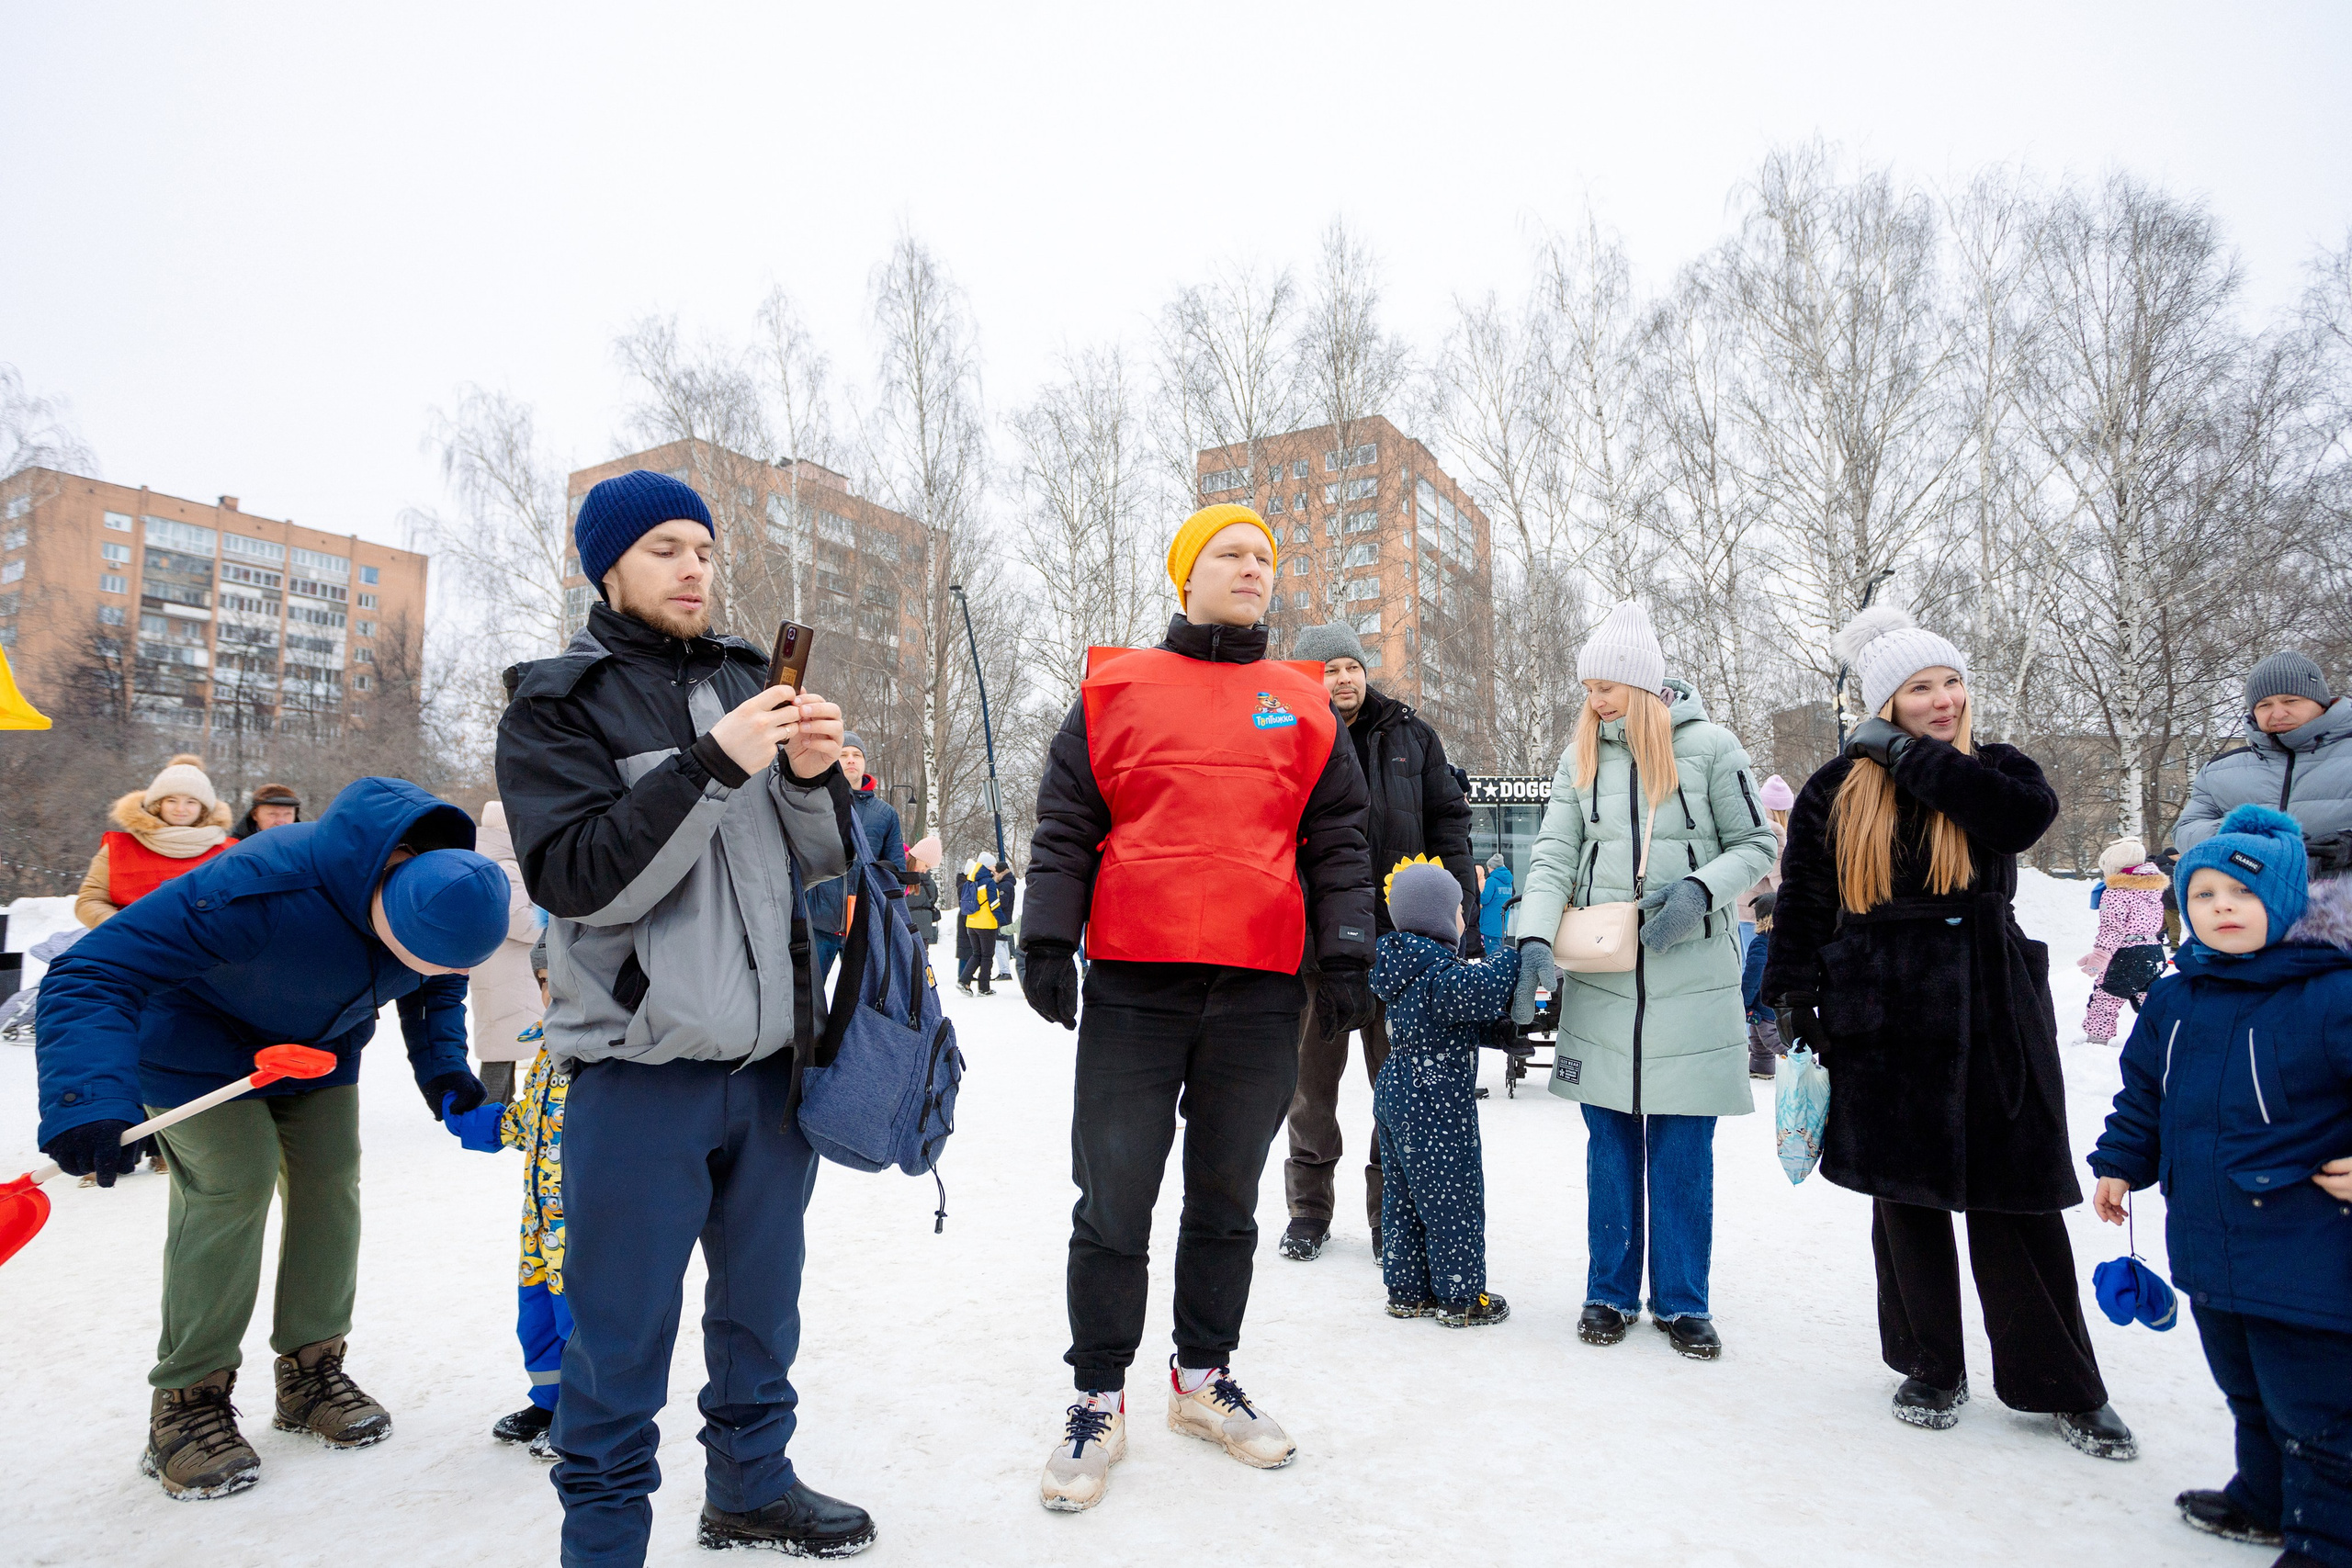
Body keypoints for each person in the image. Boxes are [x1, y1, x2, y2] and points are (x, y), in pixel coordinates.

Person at [495, 468, 870, 1565]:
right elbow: (579, 878)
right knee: (618, 1338)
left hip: (768, 1073)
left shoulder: (751, 677)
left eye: (703, 549)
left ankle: (752, 1488)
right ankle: (605, 1542)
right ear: (606, 565)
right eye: (664, 548)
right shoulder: (556, 702)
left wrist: (809, 782)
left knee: (762, 1313)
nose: (694, 567)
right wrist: (712, 765)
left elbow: (818, 867)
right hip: (636, 1074)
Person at [1021, 502, 1374, 1513]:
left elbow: (1339, 840)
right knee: (1115, 1197)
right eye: (1230, 553)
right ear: (1185, 575)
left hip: (1260, 988)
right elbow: (1064, 824)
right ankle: (1098, 1396)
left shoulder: (1301, 702)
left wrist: (1345, 952)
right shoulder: (1115, 688)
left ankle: (1200, 1379)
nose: (1252, 568)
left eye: (1265, 555)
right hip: (1137, 983)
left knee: (1227, 1199)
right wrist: (1047, 937)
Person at [35, 777, 509, 1500]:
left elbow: (434, 982)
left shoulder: (441, 896)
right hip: (192, 1041)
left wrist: (443, 1066)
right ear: (386, 901)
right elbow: (93, 969)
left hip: (316, 1045)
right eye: (421, 955)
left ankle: (311, 1370)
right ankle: (187, 1400)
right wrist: (88, 1096)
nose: (432, 972)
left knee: (330, 1181)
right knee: (236, 1179)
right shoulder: (257, 884)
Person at [1763, 604, 2135, 1458]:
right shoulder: (1835, 787)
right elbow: (1806, 906)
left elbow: (2017, 822)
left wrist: (1911, 756)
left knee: (2018, 1195)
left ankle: (2060, 1382)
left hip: (1991, 1000)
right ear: (1885, 699)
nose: (1943, 699)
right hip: (1883, 1008)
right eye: (1919, 688)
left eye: (1952, 681)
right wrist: (1792, 1001)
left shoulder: (1997, 769)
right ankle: (1930, 1362)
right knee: (1907, 1199)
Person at [1510, 600, 1778, 1360]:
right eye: (1589, 686)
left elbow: (1759, 840)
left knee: (1683, 1144)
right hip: (1605, 975)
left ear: (1646, 686)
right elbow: (1554, 855)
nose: (1596, 700)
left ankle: (1683, 1299)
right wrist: (1532, 933)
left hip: (1690, 977)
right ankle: (1609, 1290)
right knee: (1610, 1140)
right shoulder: (1580, 757)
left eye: (1610, 686)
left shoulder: (1713, 748)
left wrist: (1700, 887)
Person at [2089, 805, 2352, 1564]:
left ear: (2285, 903)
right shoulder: (2178, 995)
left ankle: (2327, 1541)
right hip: (2210, 1235)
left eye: (2241, 895)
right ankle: (2265, 1499)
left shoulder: (2331, 994)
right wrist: (2119, 1161)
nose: (2222, 909)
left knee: (2319, 1409)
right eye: (2203, 896)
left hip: (2306, 1247)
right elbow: (2146, 1091)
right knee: (2245, 1387)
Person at [1279, 620, 1476, 1263]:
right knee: (1311, 1089)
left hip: (1401, 949)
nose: (1340, 678)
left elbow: (1450, 823)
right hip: (1316, 948)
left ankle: (1391, 1211)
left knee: (1399, 1087)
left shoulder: (1413, 738)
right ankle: (1309, 1209)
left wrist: (1461, 914)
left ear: (1365, 671)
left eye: (1349, 666)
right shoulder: (1287, 738)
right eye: (1326, 669)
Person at [1369, 857, 1520, 1327]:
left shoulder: (1400, 968)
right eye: (1458, 910)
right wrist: (1516, 953)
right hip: (1435, 1101)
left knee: (1405, 1198)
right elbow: (1488, 987)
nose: (1463, 919)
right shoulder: (1440, 974)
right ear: (1436, 918)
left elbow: (1450, 1023)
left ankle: (1408, 1292)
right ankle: (1459, 1297)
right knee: (1451, 1198)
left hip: (1396, 1093)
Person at [442, 1001, 572, 1462]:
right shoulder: (545, 1046)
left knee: (582, 1322)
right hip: (539, 1225)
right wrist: (474, 1119)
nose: (552, 987)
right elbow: (527, 1122)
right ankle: (551, 1403)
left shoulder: (604, 1047)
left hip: (584, 1224)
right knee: (537, 1317)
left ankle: (589, 1414)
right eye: (542, 979)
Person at [2176, 651, 2352, 880]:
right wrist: (2242, 836)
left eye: (2291, 700)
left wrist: (2347, 848)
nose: (2278, 713)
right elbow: (2185, 831)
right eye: (2264, 704)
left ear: (2320, 702)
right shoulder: (2218, 771)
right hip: (2253, 908)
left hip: (2340, 908)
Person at [74, 753, 234, 927]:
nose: (180, 809)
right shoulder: (120, 847)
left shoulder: (229, 852)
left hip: (204, 948)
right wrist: (122, 928)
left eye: (191, 802)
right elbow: (90, 900)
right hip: (130, 946)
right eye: (171, 800)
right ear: (158, 804)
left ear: (203, 808)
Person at [470, 800, 548, 1104]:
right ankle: (490, 1105)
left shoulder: (493, 859)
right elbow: (516, 917)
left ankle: (496, 1102)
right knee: (504, 1044)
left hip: (502, 968)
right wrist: (553, 927)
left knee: (504, 1043)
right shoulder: (504, 864)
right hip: (508, 971)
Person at [2077, 837, 2167, 1045]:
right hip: (2153, 951)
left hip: (2128, 954)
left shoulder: (2115, 893)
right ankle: (2165, 1034)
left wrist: (2099, 956)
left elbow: (2112, 929)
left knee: (2106, 997)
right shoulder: (2152, 890)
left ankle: (2097, 1040)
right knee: (2149, 997)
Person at [1736, 773, 1795, 959]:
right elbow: (1779, 875)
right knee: (1761, 968)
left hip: (1740, 908)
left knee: (1746, 966)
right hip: (1761, 912)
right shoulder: (1775, 831)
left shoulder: (1750, 823)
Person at [1740, 889, 1778, 1077]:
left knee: (1772, 1038)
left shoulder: (1761, 943)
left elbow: (1753, 975)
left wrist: (1744, 1001)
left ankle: (1803, 1062)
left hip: (1764, 1002)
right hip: (1780, 1000)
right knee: (1757, 1037)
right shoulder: (1785, 940)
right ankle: (1762, 1067)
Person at [958, 852, 1005, 995]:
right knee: (986, 956)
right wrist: (1003, 922)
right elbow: (995, 905)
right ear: (987, 865)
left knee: (976, 954)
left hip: (971, 923)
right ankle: (984, 988)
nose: (995, 866)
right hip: (986, 924)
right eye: (993, 863)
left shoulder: (970, 880)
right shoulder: (989, 882)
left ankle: (964, 981)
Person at [903, 834, 944, 947]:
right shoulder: (900, 869)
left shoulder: (910, 875)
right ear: (919, 856)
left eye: (928, 868)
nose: (925, 871)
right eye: (926, 865)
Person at [230, 782, 301, 840]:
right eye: (273, 814)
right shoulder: (234, 848)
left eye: (287, 814)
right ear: (255, 815)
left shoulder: (305, 847)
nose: (281, 821)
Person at [1476, 852, 1514, 954]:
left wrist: (1479, 893)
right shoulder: (1508, 882)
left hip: (1490, 922)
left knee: (1492, 952)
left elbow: (1485, 899)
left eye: (1488, 868)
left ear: (1493, 867)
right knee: (1499, 948)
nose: (1488, 870)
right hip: (1502, 922)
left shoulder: (1491, 880)